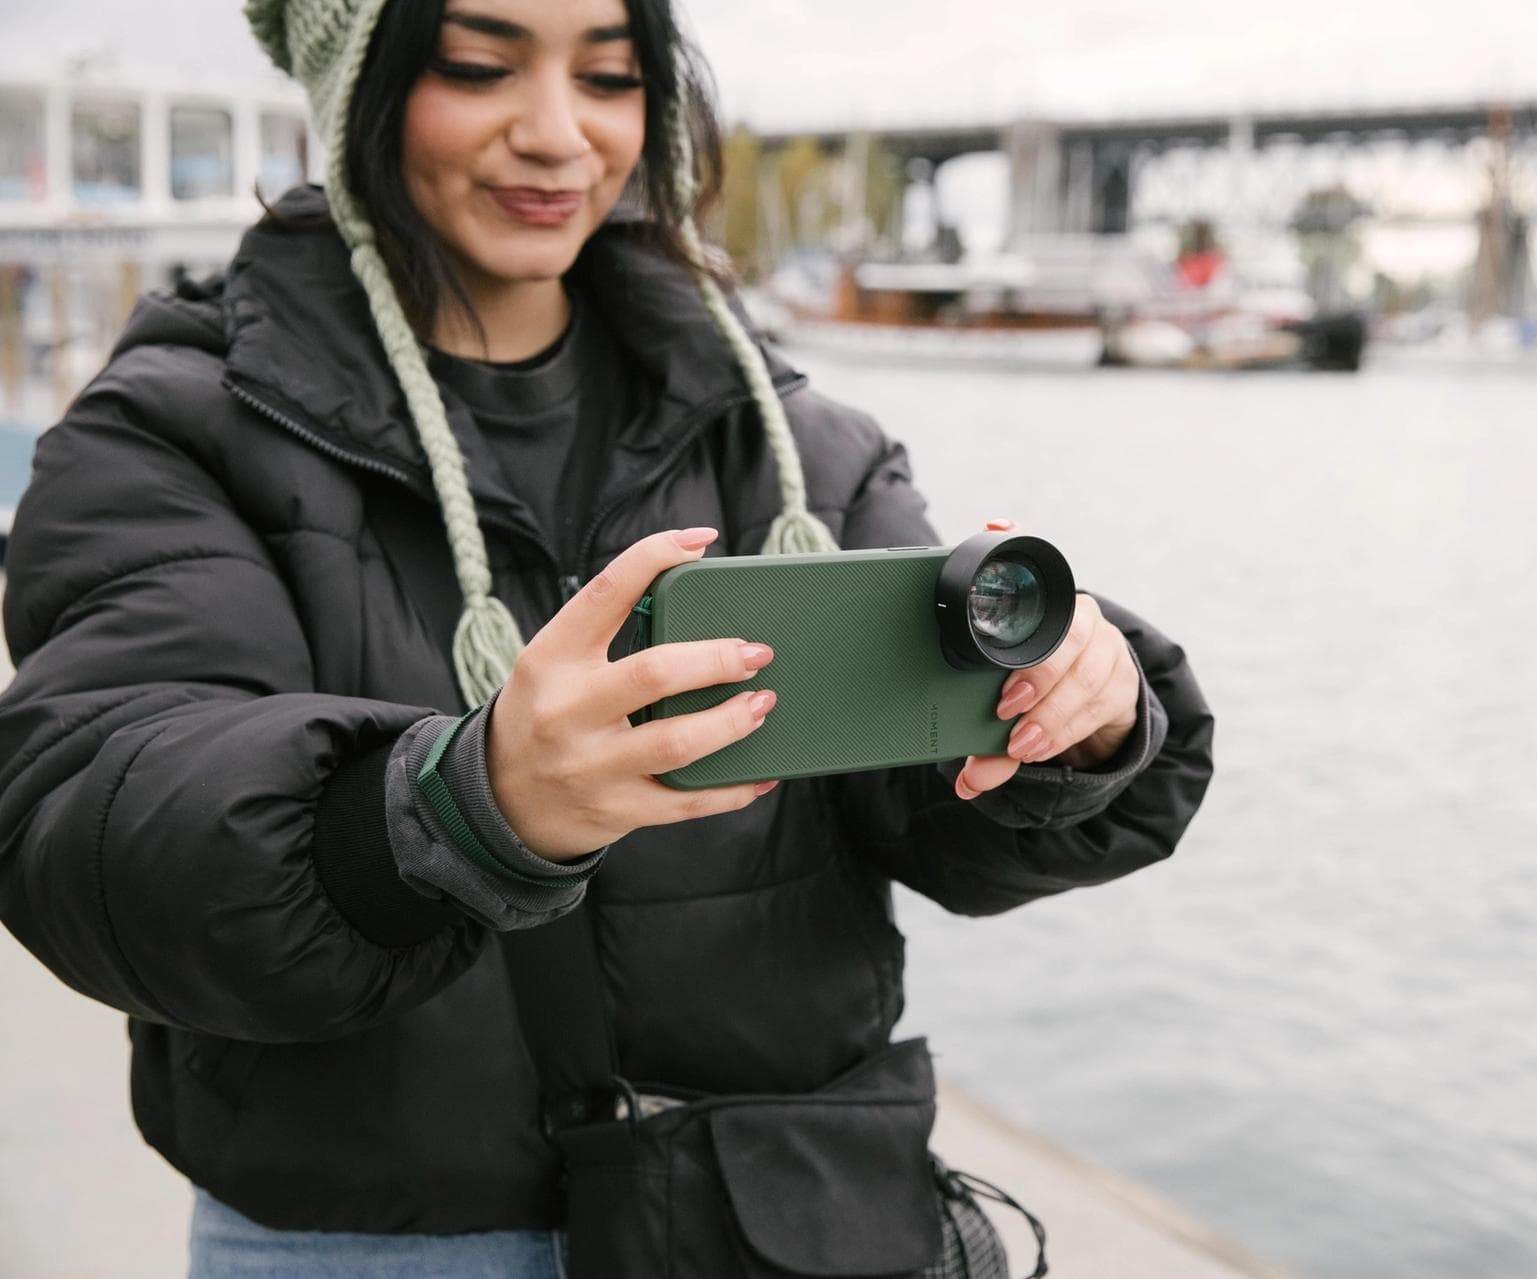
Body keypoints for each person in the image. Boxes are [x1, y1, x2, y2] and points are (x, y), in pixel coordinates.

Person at [0, 0, 1214, 1274]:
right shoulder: (177, 429)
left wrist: (1080, 713)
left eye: (612, 76)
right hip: (380, 1240)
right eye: (478, 66)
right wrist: (461, 807)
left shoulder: (793, 445)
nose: (557, 134)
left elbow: (935, 813)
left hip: (776, 1217)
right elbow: (87, 817)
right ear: (354, 86)